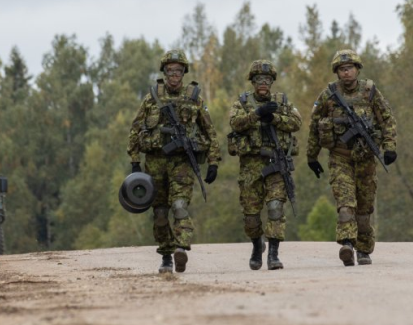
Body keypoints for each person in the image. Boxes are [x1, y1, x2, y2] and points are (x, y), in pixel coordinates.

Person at [127, 49, 221, 274]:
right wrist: (135, 161)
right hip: (155, 164)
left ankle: (181, 248)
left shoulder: (194, 98)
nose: (174, 75)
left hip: (181, 164)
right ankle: (166, 256)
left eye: (178, 71)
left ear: (184, 73)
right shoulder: (152, 98)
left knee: (179, 206)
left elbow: (210, 131)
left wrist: (213, 162)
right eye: (170, 71)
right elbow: (135, 129)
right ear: (164, 72)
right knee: (160, 214)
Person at [306, 49, 397, 266]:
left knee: (364, 208)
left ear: (357, 69)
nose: (346, 72)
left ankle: (363, 250)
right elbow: (314, 125)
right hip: (340, 157)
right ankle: (347, 244)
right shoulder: (328, 95)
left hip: (365, 159)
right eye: (342, 69)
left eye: (349, 68)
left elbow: (387, 119)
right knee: (345, 204)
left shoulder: (370, 92)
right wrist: (312, 156)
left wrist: (389, 147)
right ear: (337, 72)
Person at [228, 60, 302, 270]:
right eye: (259, 79)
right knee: (251, 217)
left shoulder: (282, 101)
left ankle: (273, 254)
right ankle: (256, 244)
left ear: (272, 82)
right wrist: (257, 114)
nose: (263, 83)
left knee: (276, 207)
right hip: (250, 167)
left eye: (267, 79)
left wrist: (275, 118)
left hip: (276, 164)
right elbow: (235, 123)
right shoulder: (242, 102)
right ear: (252, 82)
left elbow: (297, 122)